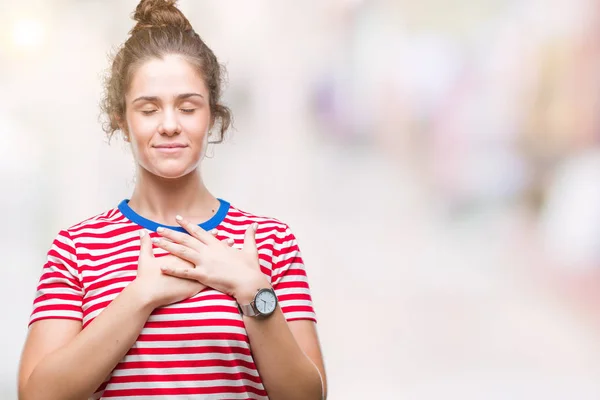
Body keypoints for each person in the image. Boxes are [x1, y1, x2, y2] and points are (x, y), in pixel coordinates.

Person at [17, 1, 327, 399]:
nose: (168, 125)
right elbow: (36, 395)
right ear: (121, 119)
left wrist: (251, 289)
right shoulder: (77, 248)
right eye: (148, 109)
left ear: (212, 115)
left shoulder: (269, 241)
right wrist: (140, 297)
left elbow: (308, 396)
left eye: (187, 107)